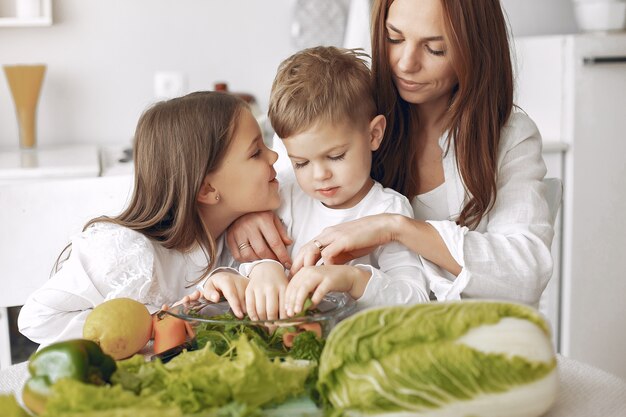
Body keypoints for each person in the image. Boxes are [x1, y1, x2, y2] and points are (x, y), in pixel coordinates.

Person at [226, 0, 554, 307]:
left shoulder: (507, 136)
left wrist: (395, 228)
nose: (406, 64)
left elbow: (527, 272)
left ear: (475, 50)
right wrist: (250, 215)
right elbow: (279, 179)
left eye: (435, 48)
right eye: (394, 38)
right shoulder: (346, 107)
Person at [18, 91, 281, 346]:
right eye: (256, 152)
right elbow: (36, 318)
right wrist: (150, 323)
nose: (274, 156)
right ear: (207, 189)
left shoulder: (226, 238)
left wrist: (262, 265)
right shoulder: (126, 252)